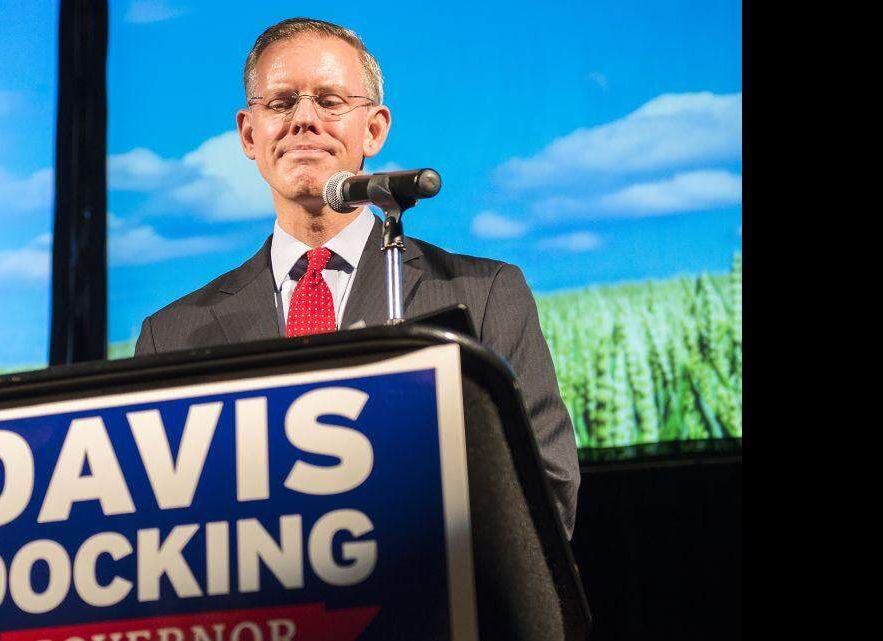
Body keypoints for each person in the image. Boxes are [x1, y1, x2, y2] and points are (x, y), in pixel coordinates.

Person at [134, 18, 579, 538]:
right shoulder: (171, 336)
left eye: (329, 101)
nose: (304, 120)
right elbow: (153, 524)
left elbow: (547, 490)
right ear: (249, 134)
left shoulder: (485, 296)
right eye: (280, 102)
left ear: (373, 128)